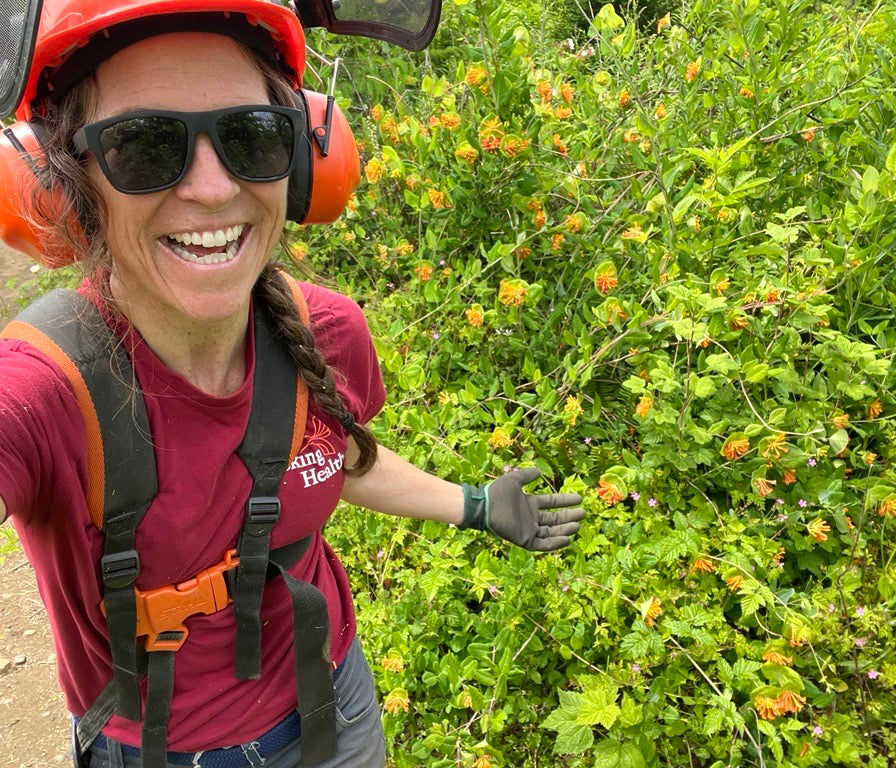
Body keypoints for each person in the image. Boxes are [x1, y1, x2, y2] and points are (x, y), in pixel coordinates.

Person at [0, 2, 585, 766]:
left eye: (251, 136)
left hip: (335, 709)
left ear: (304, 161)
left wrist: (474, 505)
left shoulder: (326, 333)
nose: (212, 190)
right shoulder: (42, 390)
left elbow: (327, 458)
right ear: (62, 182)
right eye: (143, 147)